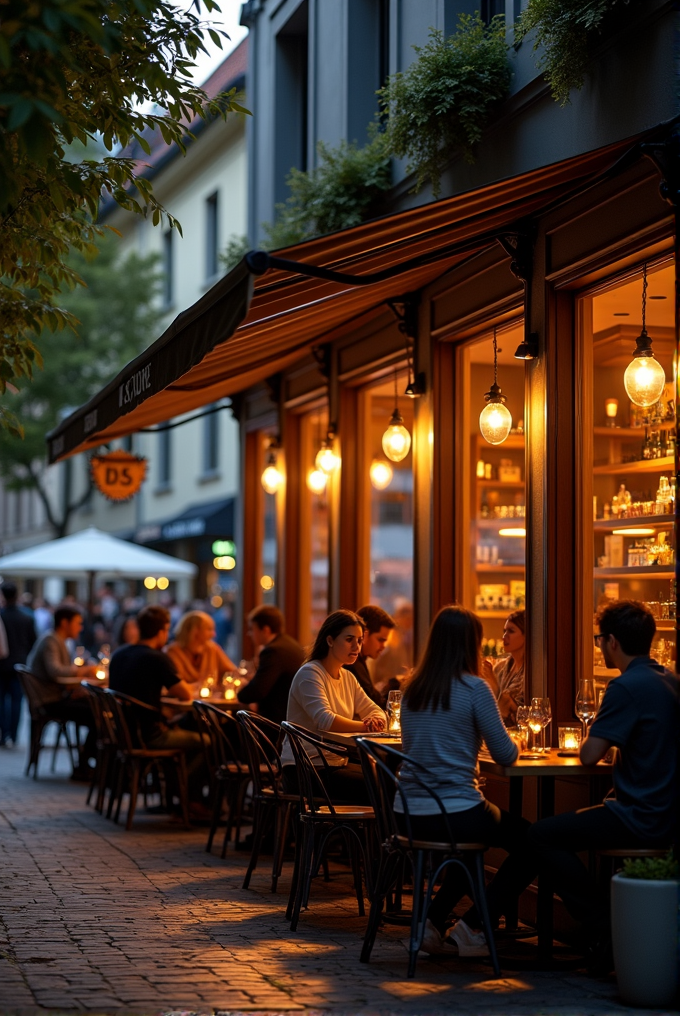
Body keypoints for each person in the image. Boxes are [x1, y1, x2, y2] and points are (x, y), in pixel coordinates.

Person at [528, 599, 679, 955]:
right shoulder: (670, 680)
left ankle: (602, 926)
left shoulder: (625, 686)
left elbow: (589, 754)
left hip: (638, 814)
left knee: (539, 836)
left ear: (612, 642)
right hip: (669, 812)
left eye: (599, 640)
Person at [398, 604, 535, 958]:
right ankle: (473, 927)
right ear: (472, 644)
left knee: (467, 847)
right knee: (534, 841)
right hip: (455, 811)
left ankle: (431, 923)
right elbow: (505, 754)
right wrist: (521, 739)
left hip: (408, 813)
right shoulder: (475, 688)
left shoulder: (413, 689)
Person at [109, 606, 209, 815]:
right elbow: (184, 694)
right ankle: (186, 795)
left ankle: (176, 794)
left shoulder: (119, 654)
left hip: (124, 733)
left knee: (185, 726)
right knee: (207, 741)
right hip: (150, 736)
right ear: (163, 630)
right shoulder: (156, 657)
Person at [282, 609, 386, 802]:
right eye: (349, 639)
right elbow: (325, 720)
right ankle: (350, 832)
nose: (356, 646)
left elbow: (376, 711)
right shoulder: (310, 673)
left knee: (386, 778)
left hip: (334, 761)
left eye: (360, 640)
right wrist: (366, 726)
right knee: (379, 784)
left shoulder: (347, 677)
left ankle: (358, 832)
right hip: (304, 768)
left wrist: (376, 719)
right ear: (330, 640)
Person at [26, 604, 99, 778]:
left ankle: (87, 762)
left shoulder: (58, 640)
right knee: (97, 713)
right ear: (65, 623)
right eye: (78, 623)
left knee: (96, 707)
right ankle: (84, 765)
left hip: (56, 697)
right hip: (49, 701)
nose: (80, 628)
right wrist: (83, 671)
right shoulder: (51, 640)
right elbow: (56, 672)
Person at [237, 605, 304, 724]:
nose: (249, 634)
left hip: (276, 724)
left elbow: (257, 691)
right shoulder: (290, 644)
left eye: (252, 629)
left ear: (265, 630)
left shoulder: (273, 651)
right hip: (293, 720)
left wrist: (239, 693)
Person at [0, 582, 37, 746]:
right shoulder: (27, 616)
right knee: (16, 701)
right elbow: (33, 642)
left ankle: (4, 734)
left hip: (2, 665)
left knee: (1, 700)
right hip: (19, 664)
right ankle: (13, 735)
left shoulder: (2, 615)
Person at [166, 610, 236, 687]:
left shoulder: (212, 649)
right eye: (209, 629)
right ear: (195, 630)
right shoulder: (173, 652)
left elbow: (231, 672)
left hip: (210, 698)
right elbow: (176, 685)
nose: (214, 634)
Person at [481, 609, 525, 725]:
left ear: (526, 635)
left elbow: (518, 714)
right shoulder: (500, 668)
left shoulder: (533, 672)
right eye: (504, 631)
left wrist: (495, 687)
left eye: (511, 631)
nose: (505, 636)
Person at [347, 604, 395, 709]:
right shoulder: (352, 664)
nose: (383, 646)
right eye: (380, 640)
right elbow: (373, 703)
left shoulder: (359, 661)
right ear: (365, 634)